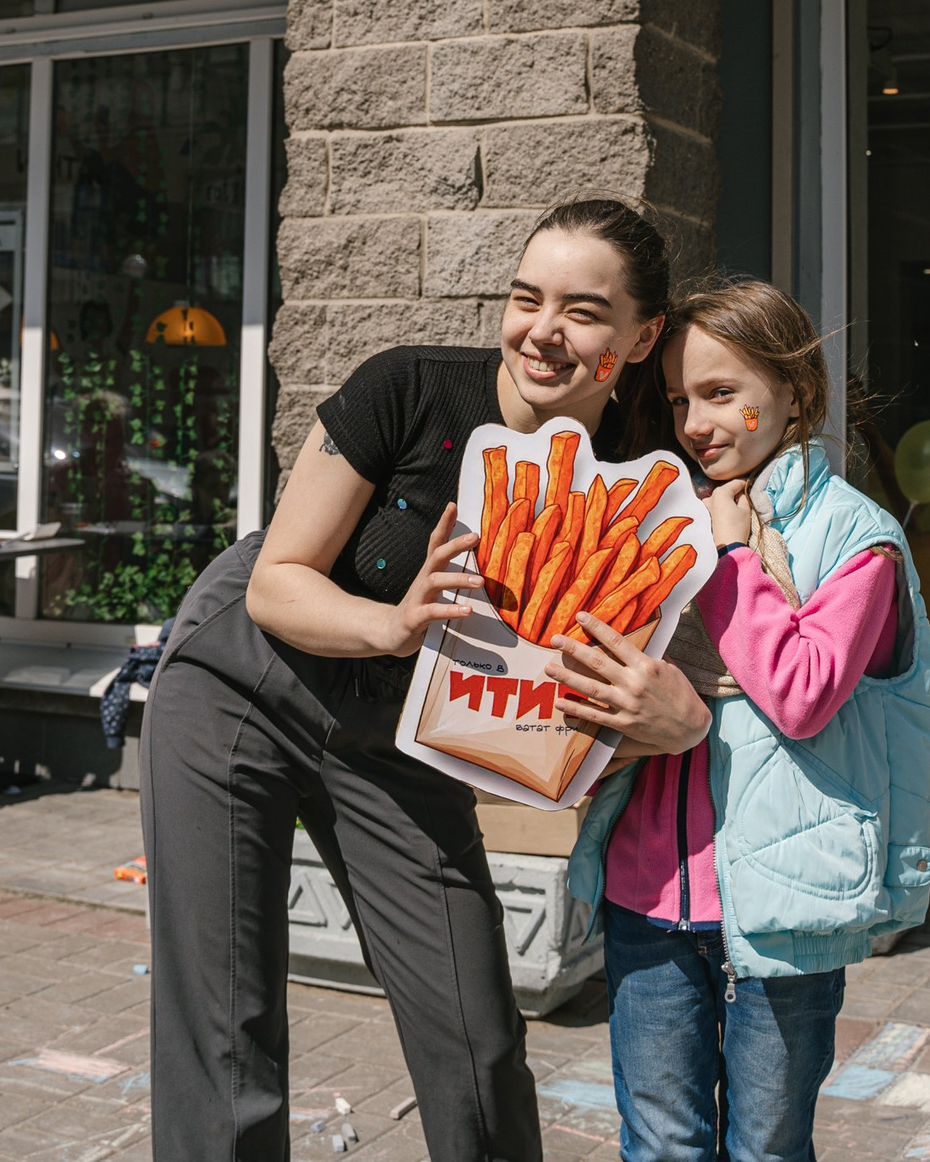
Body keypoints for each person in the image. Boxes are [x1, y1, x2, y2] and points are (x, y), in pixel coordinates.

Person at [141, 200, 715, 1162]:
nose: (543, 331)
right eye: (526, 298)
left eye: (582, 311)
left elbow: (601, 697)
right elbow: (279, 582)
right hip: (244, 685)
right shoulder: (407, 387)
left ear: (642, 335)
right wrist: (394, 624)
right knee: (227, 1032)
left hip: (403, 741)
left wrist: (671, 721)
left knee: (476, 1042)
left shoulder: (638, 482)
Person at [561, 279, 930, 1162]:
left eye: (721, 392)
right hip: (647, 894)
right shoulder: (661, 520)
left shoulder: (855, 539)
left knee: (767, 1145)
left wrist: (731, 554)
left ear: (796, 393)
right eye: (678, 400)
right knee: (660, 1143)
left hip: (782, 913)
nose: (696, 423)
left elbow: (802, 693)